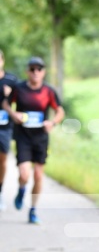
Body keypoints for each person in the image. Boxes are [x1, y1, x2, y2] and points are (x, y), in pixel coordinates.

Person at [2, 56, 64, 223]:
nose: (35, 72)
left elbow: (60, 111)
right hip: (23, 136)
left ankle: (33, 210)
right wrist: (14, 114)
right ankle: (21, 189)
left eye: (39, 69)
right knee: (24, 174)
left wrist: (52, 122)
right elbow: (6, 104)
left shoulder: (48, 91)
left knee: (37, 175)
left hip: (40, 138)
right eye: (32, 69)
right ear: (27, 71)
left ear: (43, 72)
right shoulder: (19, 88)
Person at [0, 49, 18, 211]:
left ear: (2, 61)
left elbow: (22, 99)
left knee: (2, 160)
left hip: (4, 127)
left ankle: (0, 191)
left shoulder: (11, 80)